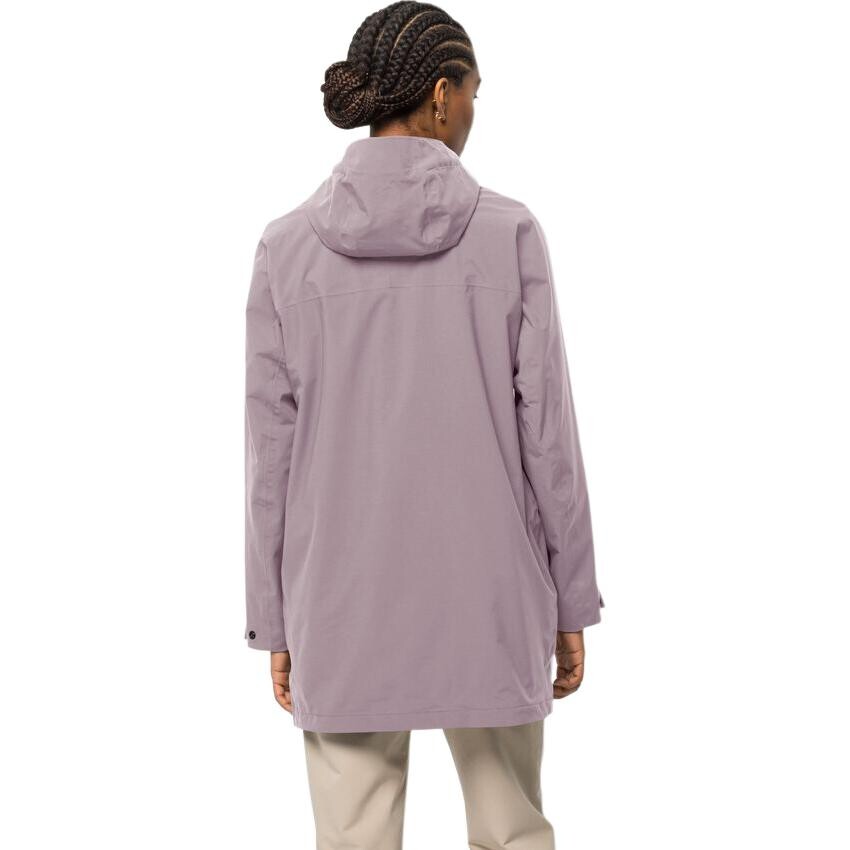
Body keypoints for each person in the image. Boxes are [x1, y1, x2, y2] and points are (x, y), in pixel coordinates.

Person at [243, 3, 605, 847]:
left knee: (354, 838)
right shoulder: (510, 234)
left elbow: (269, 460)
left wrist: (275, 618)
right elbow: (550, 438)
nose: (475, 111)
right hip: (492, 596)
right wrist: (572, 599)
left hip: (339, 603)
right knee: (512, 833)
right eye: (475, 92)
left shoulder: (284, 249)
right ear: (442, 95)